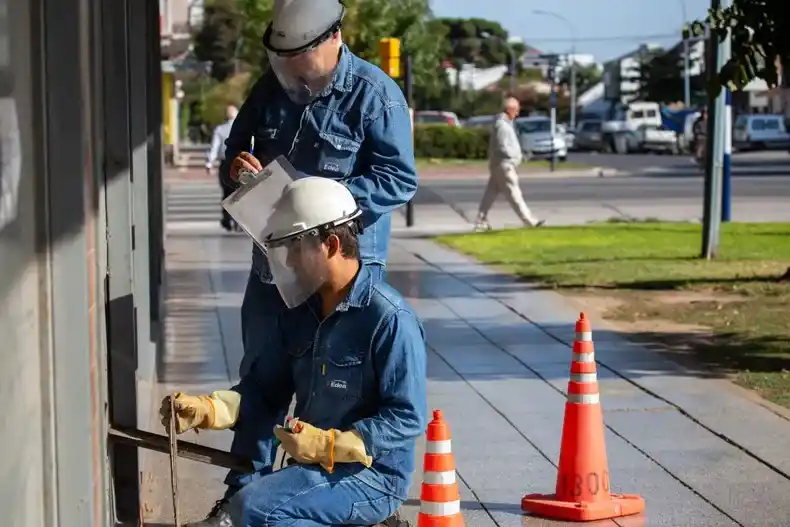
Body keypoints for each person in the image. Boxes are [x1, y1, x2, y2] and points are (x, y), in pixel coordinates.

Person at [210, 0, 417, 523]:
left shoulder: (375, 95)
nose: (293, 74)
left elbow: (399, 179)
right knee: (262, 375)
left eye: (301, 59)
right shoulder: (272, 90)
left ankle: (349, 493)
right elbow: (235, 156)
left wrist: (323, 203)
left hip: (336, 268)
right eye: (284, 63)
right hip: (272, 264)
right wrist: (238, 171)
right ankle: (243, 493)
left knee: (338, 382)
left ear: (333, 39)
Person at [160, 177, 427, 527]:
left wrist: (335, 444)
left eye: (296, 248)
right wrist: (210, 408)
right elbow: (264, 391)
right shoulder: (302, 315)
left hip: (371, 477)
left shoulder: (389, 319)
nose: (290, 261)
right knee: (252, 509)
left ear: (331, 244)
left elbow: (408, 417)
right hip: (313, 469)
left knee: (257, 509)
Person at [473, 96, 545, 231]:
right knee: (515, 194)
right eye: (516, 110)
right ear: (509, 110)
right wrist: (514, 157)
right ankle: (530, 221)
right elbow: (503, 146)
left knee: (490, 194)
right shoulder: (502, 126)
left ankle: (480, 221)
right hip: (505, 165)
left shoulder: (504, 123)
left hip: (499, 164)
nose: (518, 113)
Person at [207, 105, 242, 232]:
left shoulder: (220, 129)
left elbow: (214, 147)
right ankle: (239, 220)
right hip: (241, 163)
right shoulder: (243, 128)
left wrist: (209, 163)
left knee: (226, 192)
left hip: (225, 163)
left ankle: (227, 218)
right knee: (241, 192)